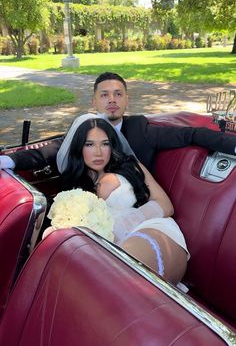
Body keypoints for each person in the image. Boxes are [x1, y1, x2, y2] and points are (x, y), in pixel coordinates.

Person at [44, 113, 189, 286]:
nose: (98, 152)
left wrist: (124, 224)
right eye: (89, 144)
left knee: (118, 273)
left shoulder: (130, 166)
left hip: (149, 228)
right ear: (78, 147)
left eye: (105, 144)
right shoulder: (72, 184)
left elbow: (165, 205)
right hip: (102, 247)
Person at [0, 72, 235, 172]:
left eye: (118, 94)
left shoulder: (141, 129)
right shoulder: (83, 128)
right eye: (104, 95)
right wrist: (8, 161)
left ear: (126, 100)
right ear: (94, 101)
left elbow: (191, 134)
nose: (112, 100)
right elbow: (48, 151)